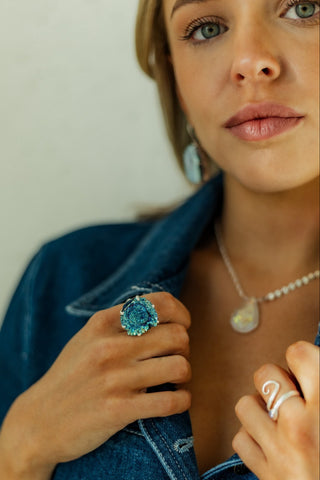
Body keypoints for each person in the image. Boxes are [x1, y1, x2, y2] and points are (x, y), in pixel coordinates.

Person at [0, 0, 319, 478]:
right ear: (178, 80)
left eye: (304, 8)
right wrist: (21, 447)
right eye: (207, 27)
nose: (249, 61)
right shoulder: (61, 278)